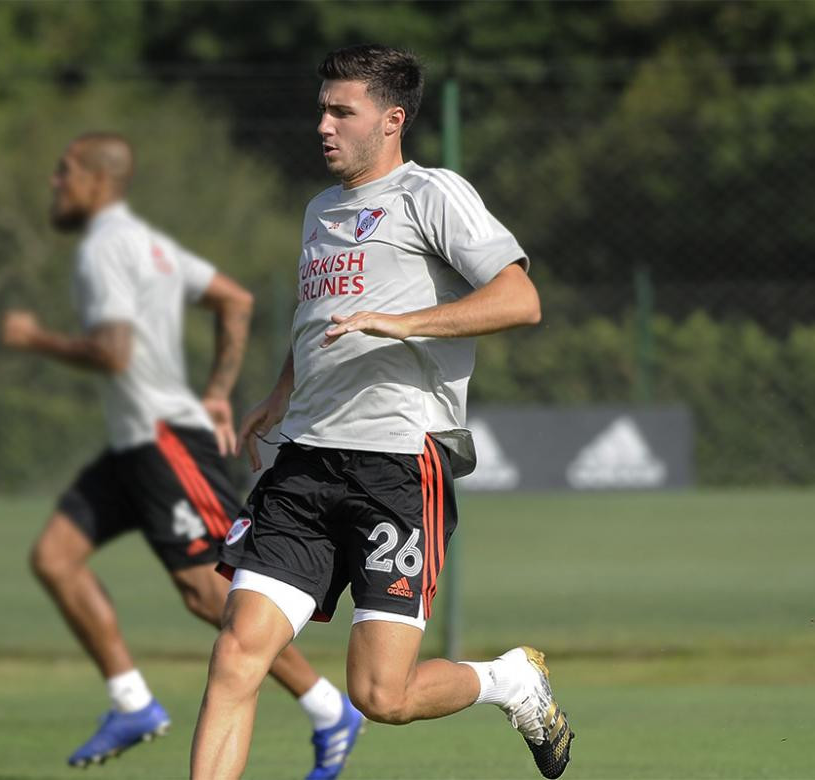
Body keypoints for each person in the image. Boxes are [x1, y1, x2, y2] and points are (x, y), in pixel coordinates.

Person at [190, 45, 574, 779]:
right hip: (304, 460)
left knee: (381, 695)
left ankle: (508, 682)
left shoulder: (431, 194)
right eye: (321, 109)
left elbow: (520, 300)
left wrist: (407, 322)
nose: (324, 126)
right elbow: (322, 318)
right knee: (237, 652)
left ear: (392, 120)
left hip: (395, 466)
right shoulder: (320, 210)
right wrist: (279, 393)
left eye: (343, 111)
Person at [1, 132, 363, 777]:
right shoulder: (143, 243)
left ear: (95, 180)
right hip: (135, 444)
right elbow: (235, 298)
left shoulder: (107, 249)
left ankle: (327, 707)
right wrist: (219, 393)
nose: (54, 183)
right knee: (55, 557)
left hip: (166, 441)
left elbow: (112, 353)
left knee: (216, 595)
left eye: (63, 171)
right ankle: (132, 701)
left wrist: (36, 339)